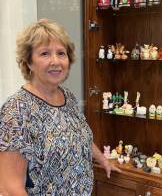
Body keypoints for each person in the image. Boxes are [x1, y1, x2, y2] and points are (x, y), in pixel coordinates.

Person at [0, 19, 121, 196]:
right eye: (44, 54)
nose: (55, 61)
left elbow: (81, 137)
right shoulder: (16, 110)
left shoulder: (67, 97)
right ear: (28, 62)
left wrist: (103, 160)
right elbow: (10, 189)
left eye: (61, 53)